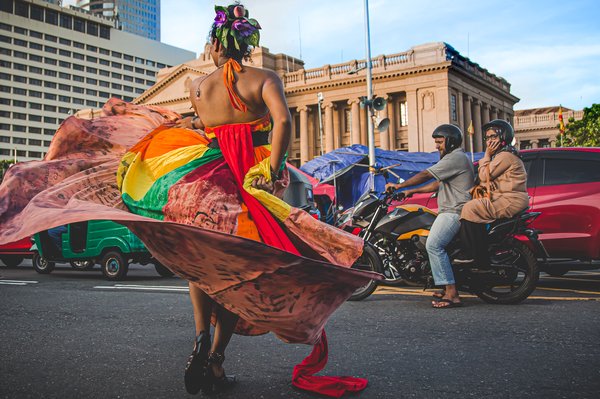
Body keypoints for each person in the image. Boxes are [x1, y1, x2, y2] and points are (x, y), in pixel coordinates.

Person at [386, 124, 474, 309]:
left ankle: (452, 293)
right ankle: (442, 285)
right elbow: (436, 185)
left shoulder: (455, 158)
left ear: (450, 142)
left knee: (433, 245)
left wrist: (400, 186)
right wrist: (412, 191)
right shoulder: (455, 159)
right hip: (449, 210)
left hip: (454, 211)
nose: (437, 146)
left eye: (440, 142)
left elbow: (426, 174)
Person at [458, 119, 528, 267]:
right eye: (488, 138)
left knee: (470, 208)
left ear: (504, 137)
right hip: (505, 198)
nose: (489, 141)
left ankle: (474, 256)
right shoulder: (503, 155)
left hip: (510, 200)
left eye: (494, 137)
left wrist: (486, 156)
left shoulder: (505, 156)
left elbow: (484, 175)